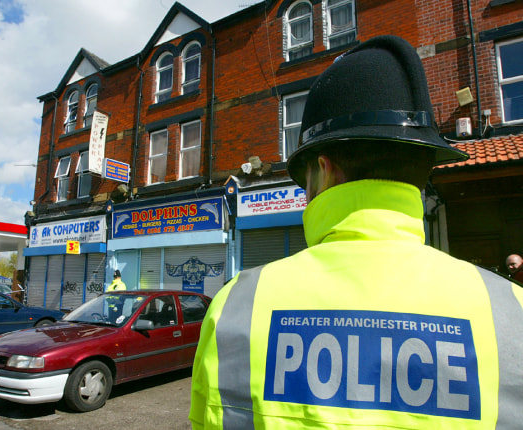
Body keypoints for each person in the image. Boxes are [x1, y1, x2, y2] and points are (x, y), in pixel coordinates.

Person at [189, 35, 523, 429]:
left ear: (324, 169)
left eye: (305, 180)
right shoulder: (511, 311)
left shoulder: (237, 308)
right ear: (424, 168)